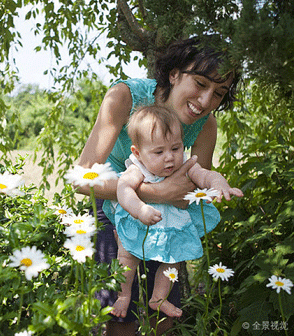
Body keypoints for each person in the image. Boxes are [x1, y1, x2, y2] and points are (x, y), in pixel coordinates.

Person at [75, 35, 241, 336]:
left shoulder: (206, 124)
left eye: (219, 93)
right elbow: (81, 178)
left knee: (162, 315)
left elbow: (197, 183)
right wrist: (157, 193)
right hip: (113, 204)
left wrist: (207, 189)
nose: (206, 102)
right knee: (120, 315)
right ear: (174, 73)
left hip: (167, 216)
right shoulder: (124, 97)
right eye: (201, 84)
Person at [110, 105, 243, 319]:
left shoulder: (187, 166)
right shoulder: (138, 168)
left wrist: (220, 185)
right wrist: (139, 209)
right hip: (139, 222)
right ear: (138, 153)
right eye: (159, 152)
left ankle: (158, 298)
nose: (169, 158)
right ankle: (123, 295)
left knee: (173, 259)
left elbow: (207, 175)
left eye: (175, 148)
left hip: (170, 225)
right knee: (126, 257)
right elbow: (122, 188)